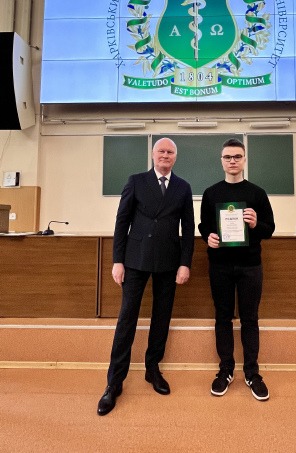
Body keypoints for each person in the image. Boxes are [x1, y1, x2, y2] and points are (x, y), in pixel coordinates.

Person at [97, 137, 195, 416]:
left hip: (168, 261)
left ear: (175, 157)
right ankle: (114, 383)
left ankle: (153, 369)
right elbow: (122, 222)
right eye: (161, 151)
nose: (165, 155)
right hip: (135, 260)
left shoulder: (183, 187)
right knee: (127, 318)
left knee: (161, 317)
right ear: (153, 155)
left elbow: (188, 228)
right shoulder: (136, 181)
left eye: (170, 152)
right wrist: (117, 260)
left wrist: (185, 264)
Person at [198, 138, 275, 402]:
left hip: (250, 266)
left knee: (250, 318)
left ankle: (252, 373)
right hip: (219, 266)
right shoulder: (211, 193)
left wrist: (255, 225)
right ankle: (226, 370)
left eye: (237, 156)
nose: (232, 161)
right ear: (221, 161)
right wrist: (208, 237)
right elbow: (204, 226)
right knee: (223, 318)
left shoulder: (257, 193)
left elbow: (269, 229)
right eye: (228, 157)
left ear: (244, 160)